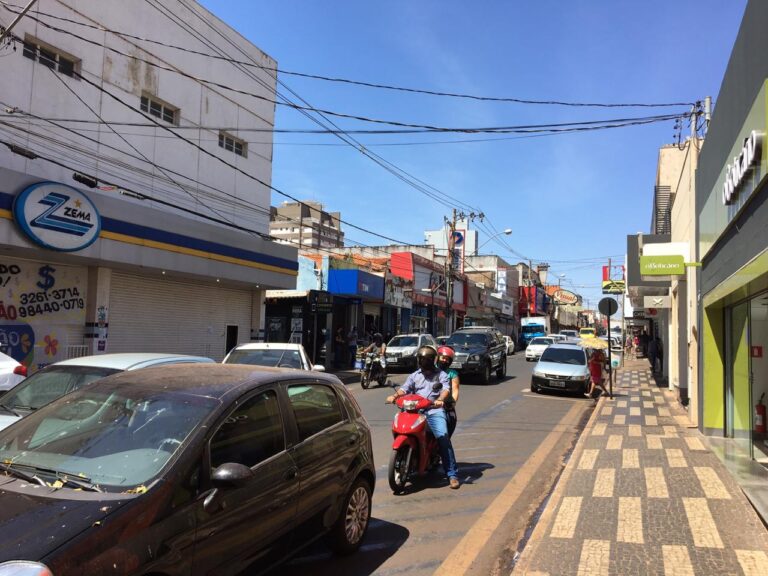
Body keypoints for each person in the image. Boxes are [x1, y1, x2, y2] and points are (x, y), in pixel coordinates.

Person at [386, 345, 460, 489]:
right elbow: (404, 388)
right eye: (421, 359)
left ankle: (452, 474)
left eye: (426, 359)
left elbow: (445, 389)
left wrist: (440, 400)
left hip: (433, 410)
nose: (423, 361)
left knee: (443, 438)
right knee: (401, 428)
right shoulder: (415, 375)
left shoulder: (441, 375)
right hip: (413, 410)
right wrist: (395, 396)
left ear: (432, 360)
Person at [436, 345, 460, 437]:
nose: (444, 360)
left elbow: (455, 389)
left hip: (445, 405)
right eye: (443, 358)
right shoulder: (431, 370)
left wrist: (452, 403)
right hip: (428, 403)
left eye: (447, 359)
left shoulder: (453, 374)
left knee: (450, 420)